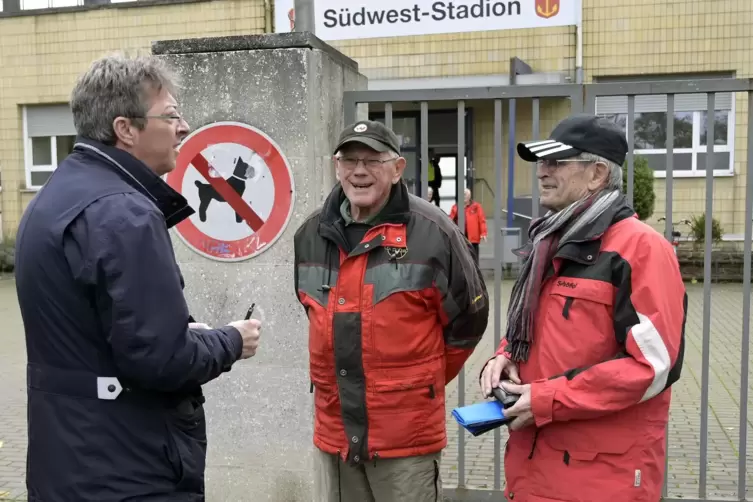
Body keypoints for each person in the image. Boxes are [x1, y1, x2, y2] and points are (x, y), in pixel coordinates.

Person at [14, 53, 262, 501]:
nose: (183, 127)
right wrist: (230, 340)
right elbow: (161, 360)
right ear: (125, 129)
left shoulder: (55, 196)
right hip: (128, 467)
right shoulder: (124, 212)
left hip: (67, 462)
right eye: (170, 116)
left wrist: (177, 333)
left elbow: (93, 331)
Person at [479, 114, 686, 502]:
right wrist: (506, 354)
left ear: (596, 174)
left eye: (556, 162)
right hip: (537, 464)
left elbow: (653, 366)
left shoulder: (641, 249)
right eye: (541, 162)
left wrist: (546, 400)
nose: (542, 172)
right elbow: (541, 327)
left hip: (602, 475)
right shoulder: (552, 239)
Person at [293, 119, 489, 502]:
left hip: (405, 437)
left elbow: (469, 320)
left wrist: (418, 382)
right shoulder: (310, 234)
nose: (359, 171)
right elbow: (317, 316)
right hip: (337, 432)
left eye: (372, 160)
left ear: (397, 168)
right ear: (336, 166)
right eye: (349, 160)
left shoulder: (435, 232)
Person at [449, 188, 488, 263]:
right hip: (461, 237)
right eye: (463, 194)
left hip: (473, 238)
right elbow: (450, 220)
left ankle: (475, 273)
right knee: (462, 258)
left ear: (469, 196)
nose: (464, 196)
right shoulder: (456, 207)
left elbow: (482, 220)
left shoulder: (476, 206)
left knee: (474, 258)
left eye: (466, 195)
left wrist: (483, 233)